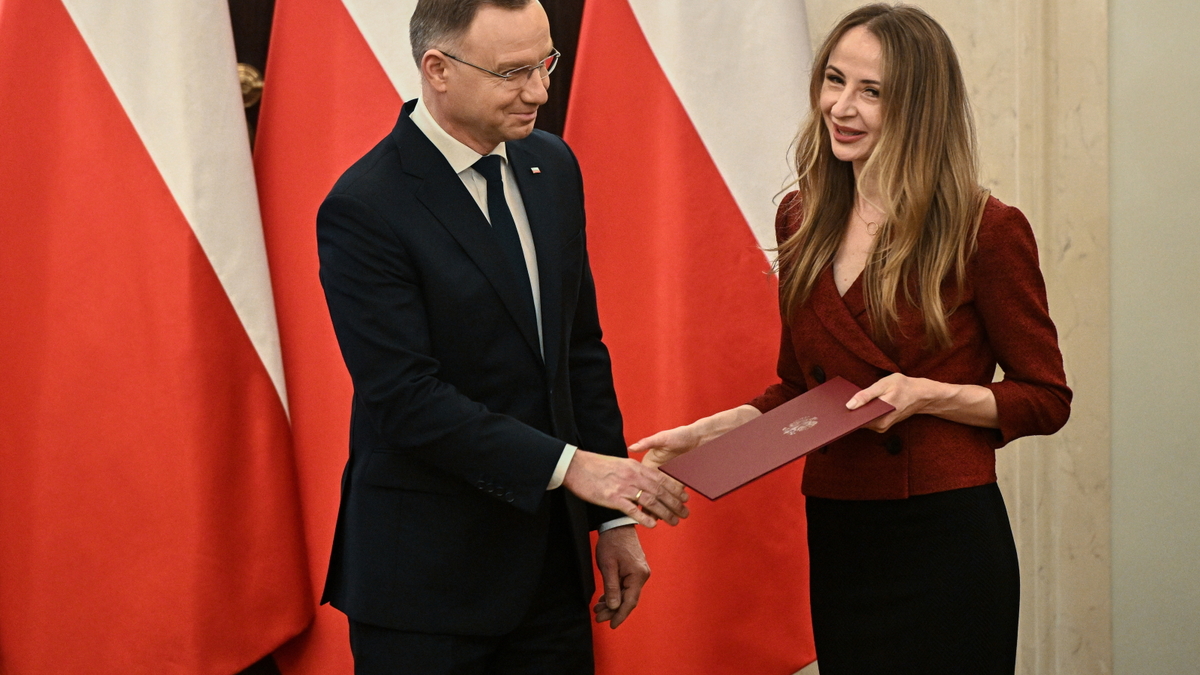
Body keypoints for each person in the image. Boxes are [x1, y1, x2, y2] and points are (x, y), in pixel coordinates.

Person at [631, 4, 1071, 673]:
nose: (841, 106)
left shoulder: (987, 229)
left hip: (944, 535)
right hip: (840, 528)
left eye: (871, 92)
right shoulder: (801, 215)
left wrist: (930, 395)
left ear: (919, 108)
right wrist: (710, 433)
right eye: (834, 80)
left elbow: (1045, 397)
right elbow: (804, 389)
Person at [316, 1, 689, 672]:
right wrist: (574, 468)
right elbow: (407, 400)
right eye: (514, 72)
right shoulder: (364, 207)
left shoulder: (552, 167)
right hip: (427, 592)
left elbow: (578, 350)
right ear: (438, 70)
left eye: (546, 62)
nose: (540, 91)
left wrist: (612, 519)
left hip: (549, 578)